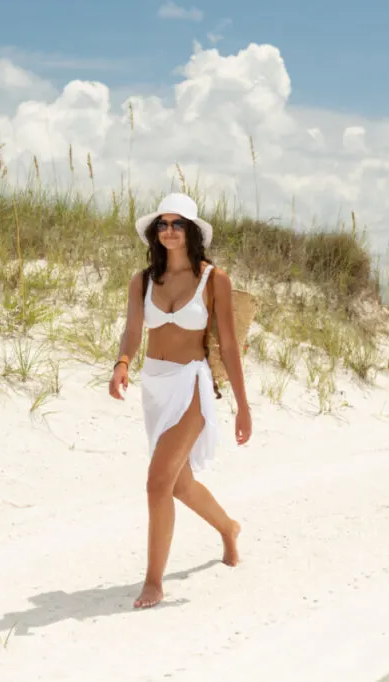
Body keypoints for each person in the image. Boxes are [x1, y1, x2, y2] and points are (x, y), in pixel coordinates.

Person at [108, 192, 252, 609]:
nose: (169, 230)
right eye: (162, 224)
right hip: (155, 387)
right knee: (180, 485)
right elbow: (134, 330)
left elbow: (228, 345)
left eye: (177, 224)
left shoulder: (213, 280)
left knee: (157, 483)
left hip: (191, 387)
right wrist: (122, 363)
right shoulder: (143, 280)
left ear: (191, 231)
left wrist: (243, 405)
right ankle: (228, 527)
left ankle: (153, 581)